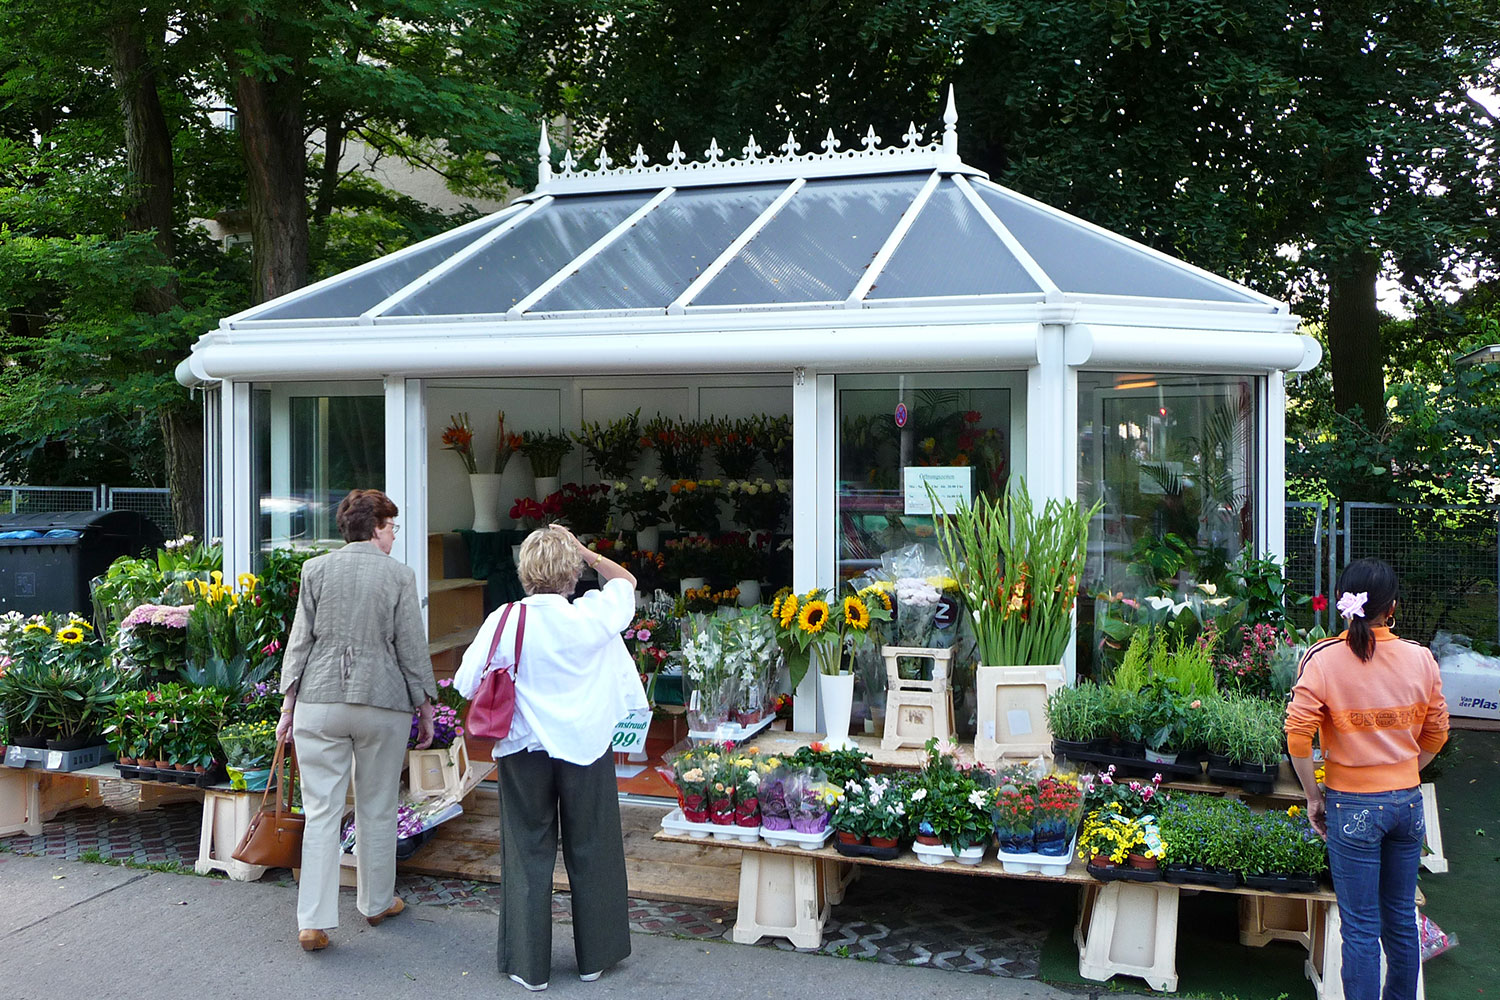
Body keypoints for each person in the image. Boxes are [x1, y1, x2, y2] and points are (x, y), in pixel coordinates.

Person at [454, 523, 646, 992]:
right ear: (573, 573)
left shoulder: (504, 619)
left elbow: (464, 683)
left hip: (524, 748)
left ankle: (528, 964)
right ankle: (595, 957)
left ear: (524, 571)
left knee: (526, 853)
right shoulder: (593, 615)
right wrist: (585, 549)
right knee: (594, 848)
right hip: (586, 746)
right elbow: (626, 582)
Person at [276, 488, 438, 952]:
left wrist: (287, 706)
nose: (394, 536)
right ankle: (376, 902)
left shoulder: (315, 569)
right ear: (376, 528)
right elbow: (410, 647)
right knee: (377, 806)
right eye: (392, 527)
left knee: (321, 812)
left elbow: (299, 642)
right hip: (381, 701)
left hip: (318, 700)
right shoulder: (399, 576)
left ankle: (313, 922)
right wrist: (426, 706)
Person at [1285, 557, 1448, 1000]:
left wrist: (1313, 796)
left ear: (1342, 601)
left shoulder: (1322, 658)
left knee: (1359, 925)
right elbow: (1437, 732)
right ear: (1391, 607)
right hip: (1407, 804)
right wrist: (1404, 771)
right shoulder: (1421, 658)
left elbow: (1297, 737)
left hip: (1352, 805)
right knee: (1400, 918)